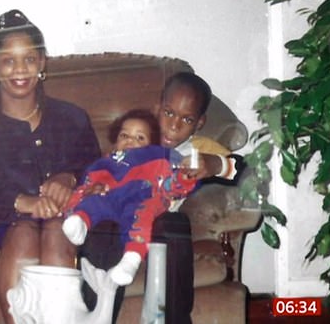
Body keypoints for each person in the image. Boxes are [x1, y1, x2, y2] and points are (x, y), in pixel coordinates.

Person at [0, 9, 101, 323]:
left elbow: (99, 169)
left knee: (56, 231)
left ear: (42, 63)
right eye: (8, 60)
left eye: (29, 59)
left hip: (70, 226)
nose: (19, 69)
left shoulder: (72, 118)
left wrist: (70, 177)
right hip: (5, 223)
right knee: (23, 232)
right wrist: (18, 201)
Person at [81, 72, 245, 324]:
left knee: (174, 223)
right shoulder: (137, 138)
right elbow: (99, 170)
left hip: (159, 228)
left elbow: (241, 170)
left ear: (199, 123)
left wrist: (213, 164)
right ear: (157, 108)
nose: (174, 126)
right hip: (121, 226)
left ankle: (176, 319)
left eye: (186, 119)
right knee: (104, 226)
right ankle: (97, 314)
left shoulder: (196, 150)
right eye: (169, 113)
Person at [62, 109, 204, 286]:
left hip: (140, 196)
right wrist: (88, 191)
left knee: (140, 216)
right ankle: (80, 222)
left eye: (140, 138)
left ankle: (131, 258)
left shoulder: (158, 158)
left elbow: (173, 185)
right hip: (109, 198)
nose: (131, 141)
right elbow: (85, 186)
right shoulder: (105, 163)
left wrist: (184, 177)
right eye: (124, 135)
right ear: (115, 141)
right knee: (93, 202)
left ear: (152, 145)